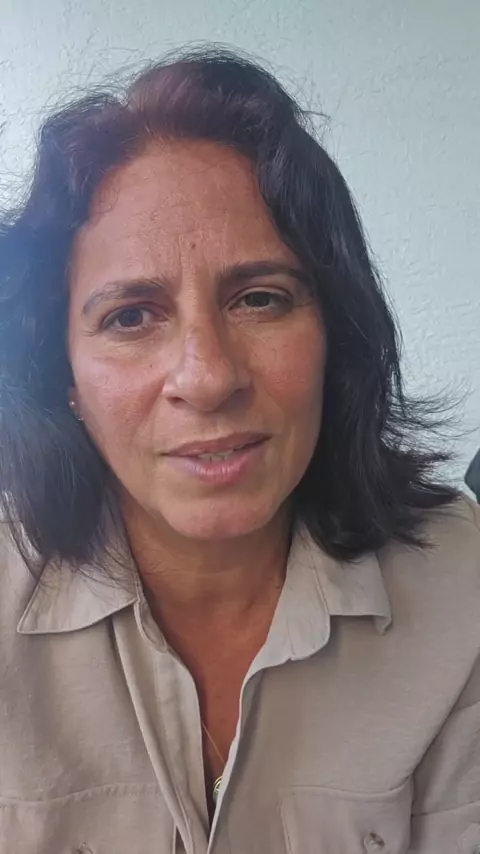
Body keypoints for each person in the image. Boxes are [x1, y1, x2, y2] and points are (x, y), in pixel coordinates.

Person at [0, 46, 479, 854]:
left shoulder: (462, 587)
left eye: (259, 299)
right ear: (63, 375)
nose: (209, 377)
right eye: (130, 316)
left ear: (335, 336)